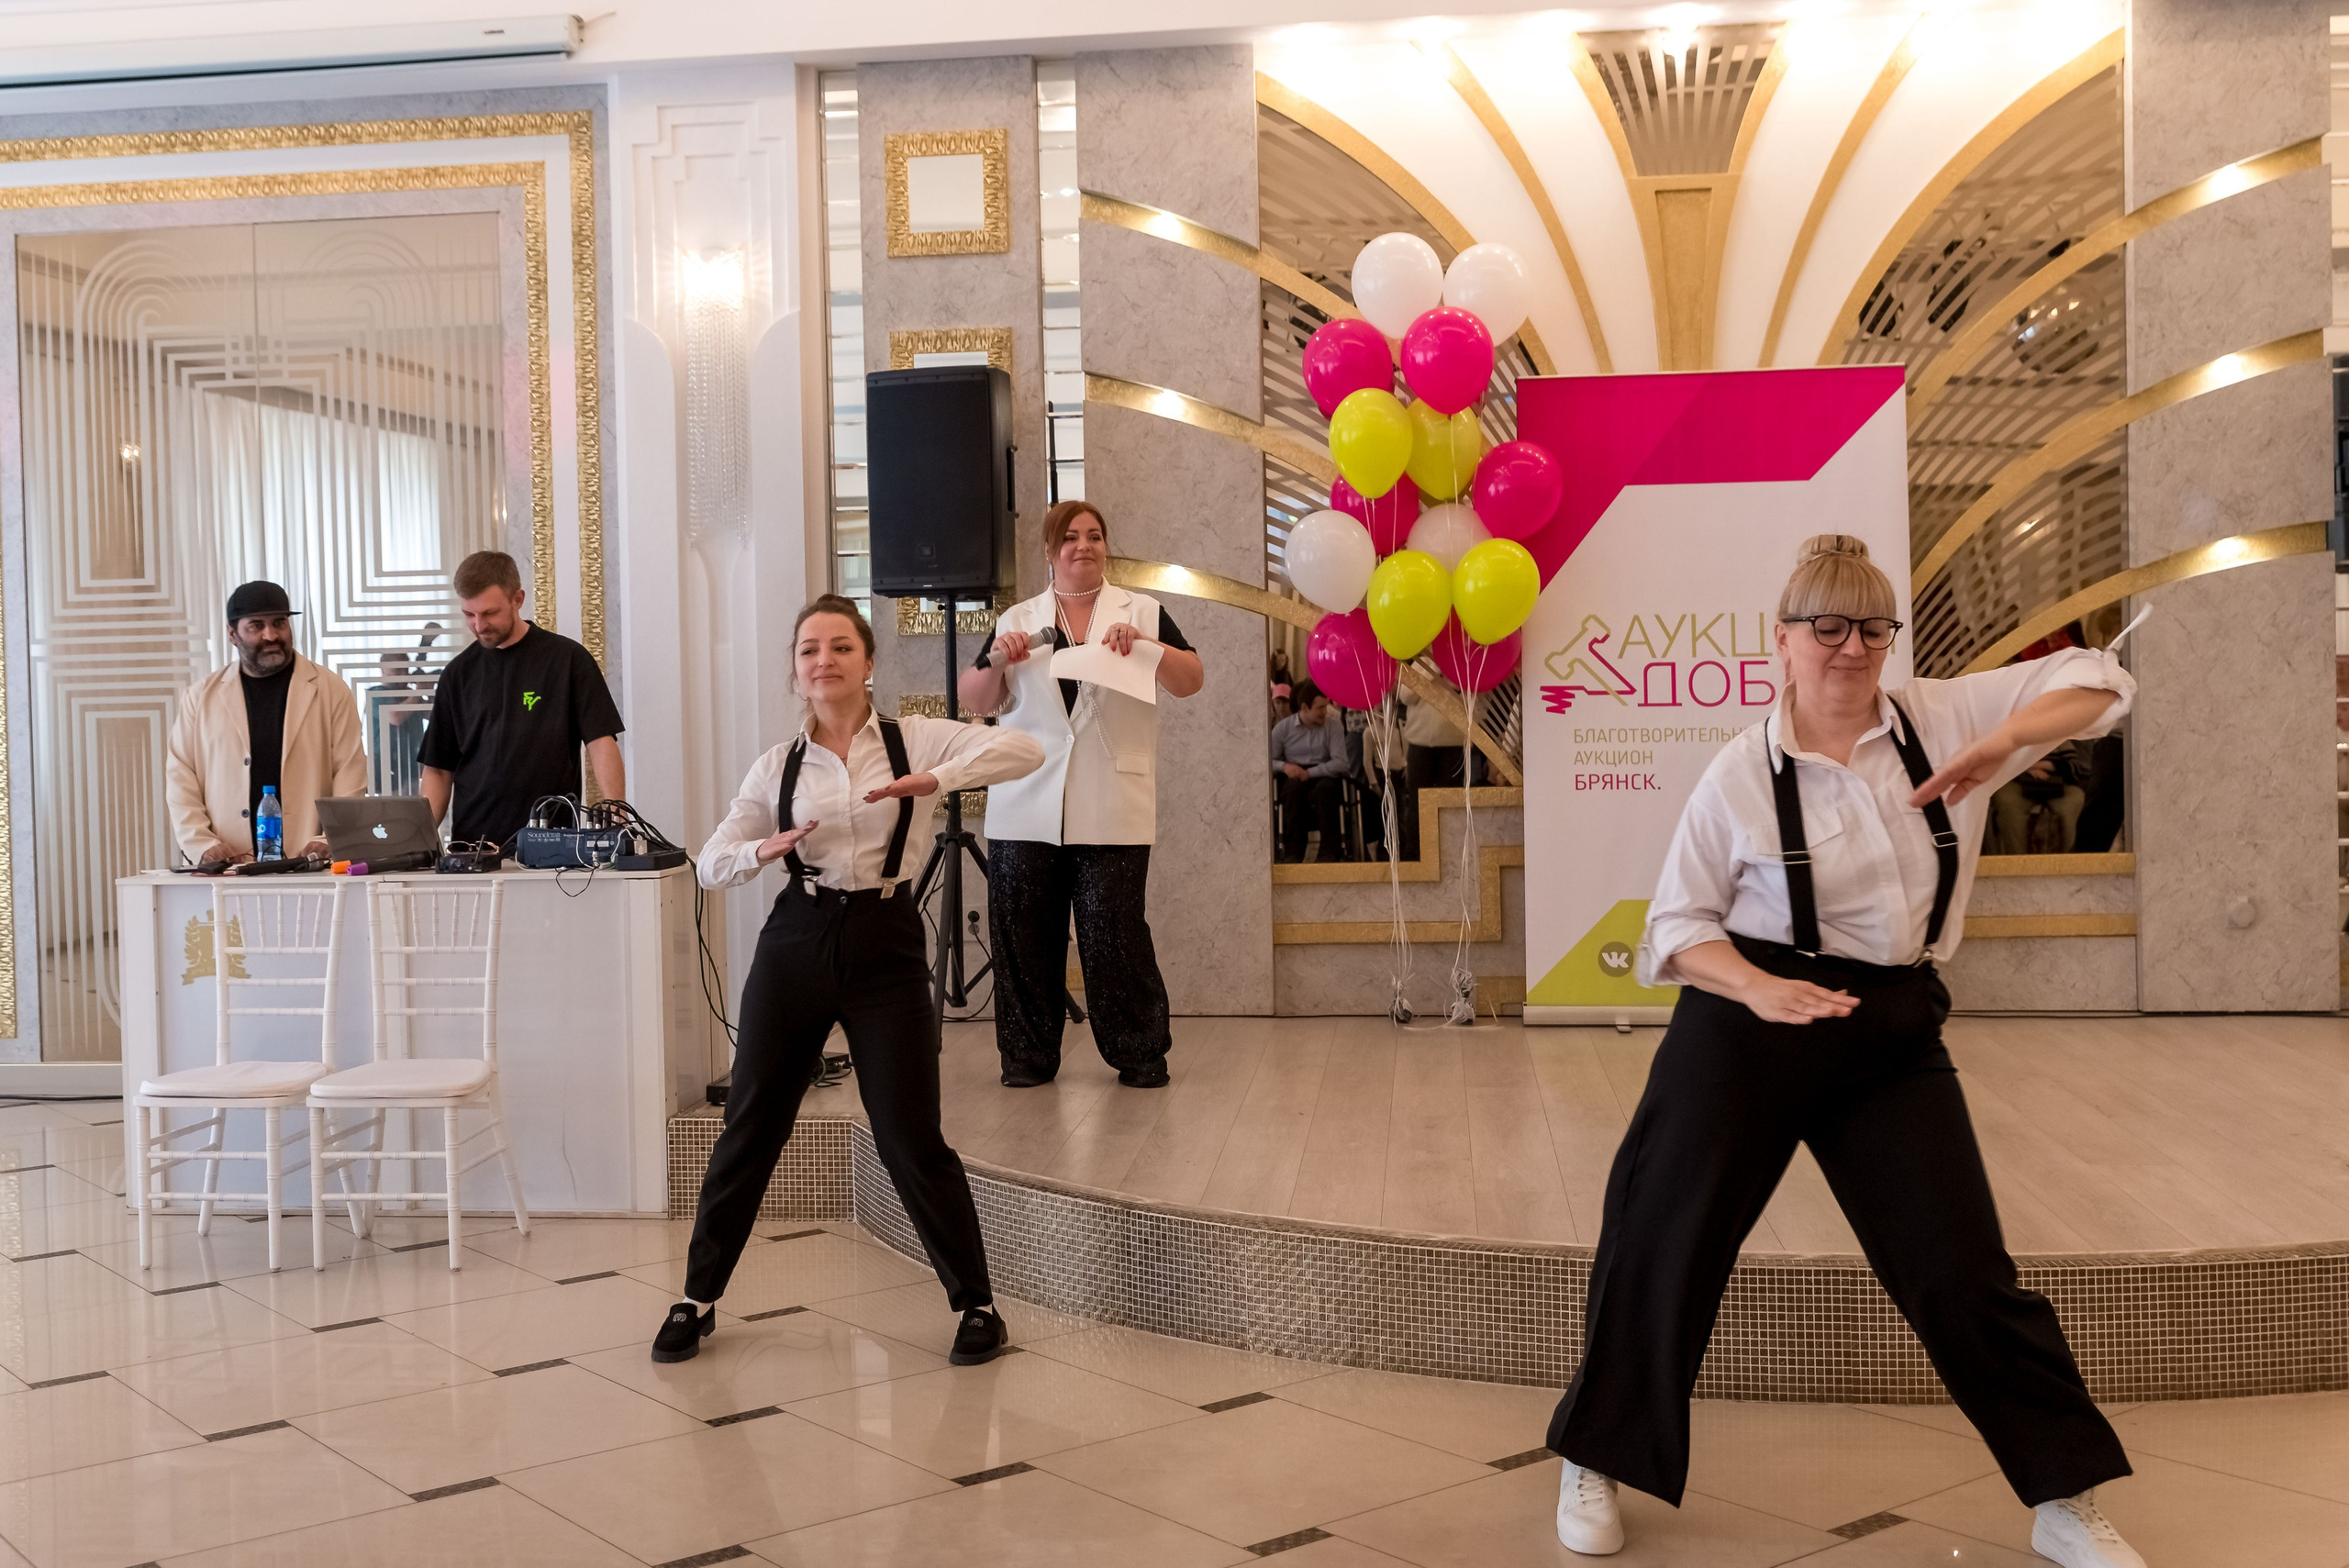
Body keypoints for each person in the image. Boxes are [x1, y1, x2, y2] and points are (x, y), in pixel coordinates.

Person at [1547, 536, 2148, 1568]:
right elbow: (1676, 926)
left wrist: (1995, 740)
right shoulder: (1739, 771)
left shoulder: (1935, 715)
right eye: (1824, 626)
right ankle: (1593, 1454)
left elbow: (2102, 681)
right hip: (1749, 1017)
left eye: (1871, 626)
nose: (1849, 646)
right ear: (1779, 639)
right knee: (1661, 1232)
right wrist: (1754, 984)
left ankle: (2062, 1496)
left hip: (1888, 1027)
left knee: (1960, 1270)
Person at [656, 595, 1045, 1367]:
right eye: (809, 650)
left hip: (886, 940)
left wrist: (929, 781)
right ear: (796, 674)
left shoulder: (911, 737)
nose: (823, 660)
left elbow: (1024, 750)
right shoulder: (779, 764)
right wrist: (765, 849)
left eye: (840, 647)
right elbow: (709, 860)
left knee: (908, 1133)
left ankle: (977, 1305)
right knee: (752, 1122)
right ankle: (697, 1299)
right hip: (796, 937)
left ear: (868, 663)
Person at [957, 500, 1205, 1089]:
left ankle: (1141, 1052)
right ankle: (1027, 1056)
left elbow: (1190, 681)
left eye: (1094, 536)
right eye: (1069, 537)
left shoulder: (1141, 611)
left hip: (1111, 800)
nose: (1083, 546)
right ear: (1049, 549)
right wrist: (998, 661)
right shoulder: (1019, 616)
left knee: (1112, 931)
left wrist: (1147, 645)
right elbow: (975, 699)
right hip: (1024, 802)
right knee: (1023, 932)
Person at [419, 551, 626, 848]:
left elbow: (600, 741)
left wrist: (618, 815)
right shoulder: (457, 674)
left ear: (518, 599)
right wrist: (418, 840)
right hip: (473, 850)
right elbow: (438, 768)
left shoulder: (567, 660)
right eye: (469, 614)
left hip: (552, 845)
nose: (478, 625)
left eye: (489, 613)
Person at [164, 581, 366, 868]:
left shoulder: (330, 690)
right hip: (228, 865)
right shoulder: (200, 697)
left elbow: (350, 774)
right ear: (232, 633)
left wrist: (328, 839)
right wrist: (203, 845)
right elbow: (181, 777)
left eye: (279, 623)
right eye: (256, 626)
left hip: (308, 862)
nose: (270, 635)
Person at [1269, 680, 1348, 863]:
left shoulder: (1334, 726)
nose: (1324, 712)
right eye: (1320, 708)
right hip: (1293, 773)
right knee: (1292, 791)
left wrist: (1310, 774)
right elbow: (1267, 761)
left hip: (1324, 773)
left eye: (1325, 707)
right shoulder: (1283, 729)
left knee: (1326, 790)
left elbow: (1341, 763)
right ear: (1304, 708)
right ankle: (1293, 853)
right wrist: (1284, 767)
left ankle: (1329, 852)